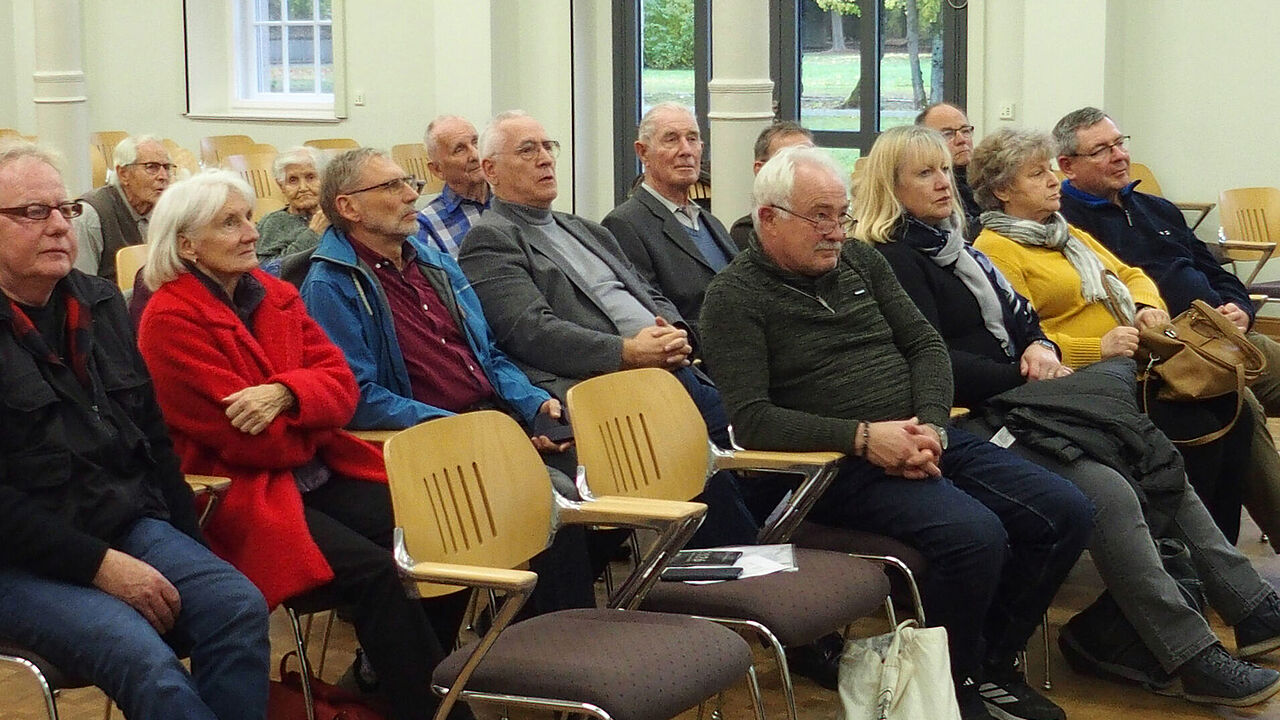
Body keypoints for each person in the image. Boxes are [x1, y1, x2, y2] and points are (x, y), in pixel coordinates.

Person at [867, 124, 1280, 708]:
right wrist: (1028, 366)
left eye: (944, 169)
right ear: (892, 185)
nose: (944, 183)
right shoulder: (895, 259)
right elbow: (933, 359)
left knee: (1154, 454)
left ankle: (1254, 608)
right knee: (1110, 490)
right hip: (977, 414)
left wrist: (1040, 346)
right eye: (925, 173)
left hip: (1037, 394)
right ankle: (1190, 653)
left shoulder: (954, 248)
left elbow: (1023, 320)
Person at [699, 144, 1092, 720]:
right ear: (768, 219)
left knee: (1066, 511)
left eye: (842, 214)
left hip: (921, 434)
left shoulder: (861, 261)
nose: (835, 231)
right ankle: (947, 694)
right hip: (830, 471)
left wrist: (930, 425)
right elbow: (752, 420)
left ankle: (984, 666)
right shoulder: (733, 299)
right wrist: (864, 438)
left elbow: (926, 345)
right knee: (975, 537)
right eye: (820, 217)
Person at [136, 170, 466, 720]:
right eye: (229, 223)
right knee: (378, 573)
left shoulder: (277, 294)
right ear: (186, 245)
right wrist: (309, 408)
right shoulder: (169, 320)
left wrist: (287, 396)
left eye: (246, 218)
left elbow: (341, 387)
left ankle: (388, 687)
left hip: (316, 470)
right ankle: (434, 711)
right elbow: (252, 445)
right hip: (244, 496)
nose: (250, 233)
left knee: (444, 529)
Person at [0, 143, 270, 720]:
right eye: (31, 213)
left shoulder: (97, 304)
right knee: (149, 666)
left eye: (65, 210)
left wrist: (193, 557)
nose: (57, 226)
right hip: (18, 560)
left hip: (124, 523)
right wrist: (98, 564)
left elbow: (153, 443)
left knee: (236, 605)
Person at [299, 147, 595, 613]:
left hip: (486, 422)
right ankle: (546, 651)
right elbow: (357, 396)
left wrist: (531, 402)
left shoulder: (436, 263)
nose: (409, 195)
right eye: (390, 186)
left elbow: (488, 355)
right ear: (348, 207)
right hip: (426, 443)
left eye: (408, 184)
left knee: (592, 475)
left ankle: (522, 635)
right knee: (550, 502)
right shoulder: (330, 285)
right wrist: (467, 429)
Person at [458, 109, 758, 548]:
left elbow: (646, 292)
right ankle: (736, 573)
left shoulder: (583, 228)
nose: (545, 159)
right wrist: (627, 351)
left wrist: (673, 331)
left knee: (754, 433)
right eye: (527, 150)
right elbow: (530, 331)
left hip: (667, 370)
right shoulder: (491, 239)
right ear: (490, 170)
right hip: (604, 390)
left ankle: (764, 557)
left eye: (548, 147)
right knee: (709, 454)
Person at [968, 127, 1258, 543]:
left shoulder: (1064, 234)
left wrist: (1144, 306)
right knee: (1192, 422)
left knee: (1235, 408)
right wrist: (1096, 348)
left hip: (1135, 364)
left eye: (1050, 168)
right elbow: (1018, 340)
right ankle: (1178, 552)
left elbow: (1130, 273)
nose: (1054, 180)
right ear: (1001, 192)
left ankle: (1220, 550)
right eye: (1037, 174)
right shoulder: (997, 250)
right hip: (1081, 385)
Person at [1053, 106, 1280, 550]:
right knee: (1239, 403)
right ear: (1067, 166)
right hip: (1171, 349)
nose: (1120, 156)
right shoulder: (1068, 224)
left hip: (1224, 331)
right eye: (1102, 149)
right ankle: (1227, 561)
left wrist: (1238, 306)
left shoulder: (1156, 208)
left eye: (1120, 143)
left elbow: (1214, 269)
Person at [602, 103, 737, 333]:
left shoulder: (710, 222)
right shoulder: (624, 225)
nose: (686, 150)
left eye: (692, 139)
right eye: (671, 139)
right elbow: (650, 313)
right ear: (643, 152)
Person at [73, 134, 174, 284]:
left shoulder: (167, 212)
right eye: (152, 167)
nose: (163, 176)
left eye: (166, 167)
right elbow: (82, 288)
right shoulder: (91, 214)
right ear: (123, 174)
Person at [728, 121, 815, 249]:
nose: (805, 169)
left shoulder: (834, 224)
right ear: (760, 169)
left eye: (812, 159)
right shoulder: (747, 232)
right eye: (790, 162)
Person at [415, 115, 490, 256]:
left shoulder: (511, 196)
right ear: (437, 170)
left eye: (476, 142)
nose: (475, 154)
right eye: (459, 149)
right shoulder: (428, 224)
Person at [916, 102, 980, 233]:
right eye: (948, 134)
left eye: (965, 130)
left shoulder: (986, 176)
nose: (961, 139)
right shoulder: (931, 187)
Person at [255, 145, 328, 260]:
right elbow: (268, 270)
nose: (303, 188)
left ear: (324, 180)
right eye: (293, 180)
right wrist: (313, 235)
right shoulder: (273, 223)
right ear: (281, 186)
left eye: (310, 177)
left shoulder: (339, 217)